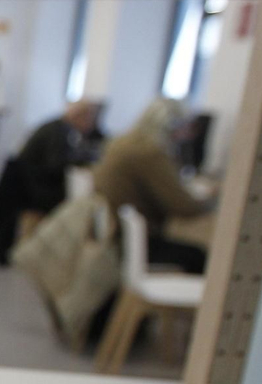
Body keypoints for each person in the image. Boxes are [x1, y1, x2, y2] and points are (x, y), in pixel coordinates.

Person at [91, 97, 215, 274]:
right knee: (199, 255)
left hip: (113, 231)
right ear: (172, 125)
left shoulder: (123, 142)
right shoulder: (149, 152)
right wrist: (212, 201)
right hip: (131, 240)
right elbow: (183, 206)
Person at [0, 100, 103, 264]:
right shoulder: (60, 132)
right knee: (71, 205)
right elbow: (54, 166)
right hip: (25, 184)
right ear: (81, 118)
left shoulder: (57, 127)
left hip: (19, 179)